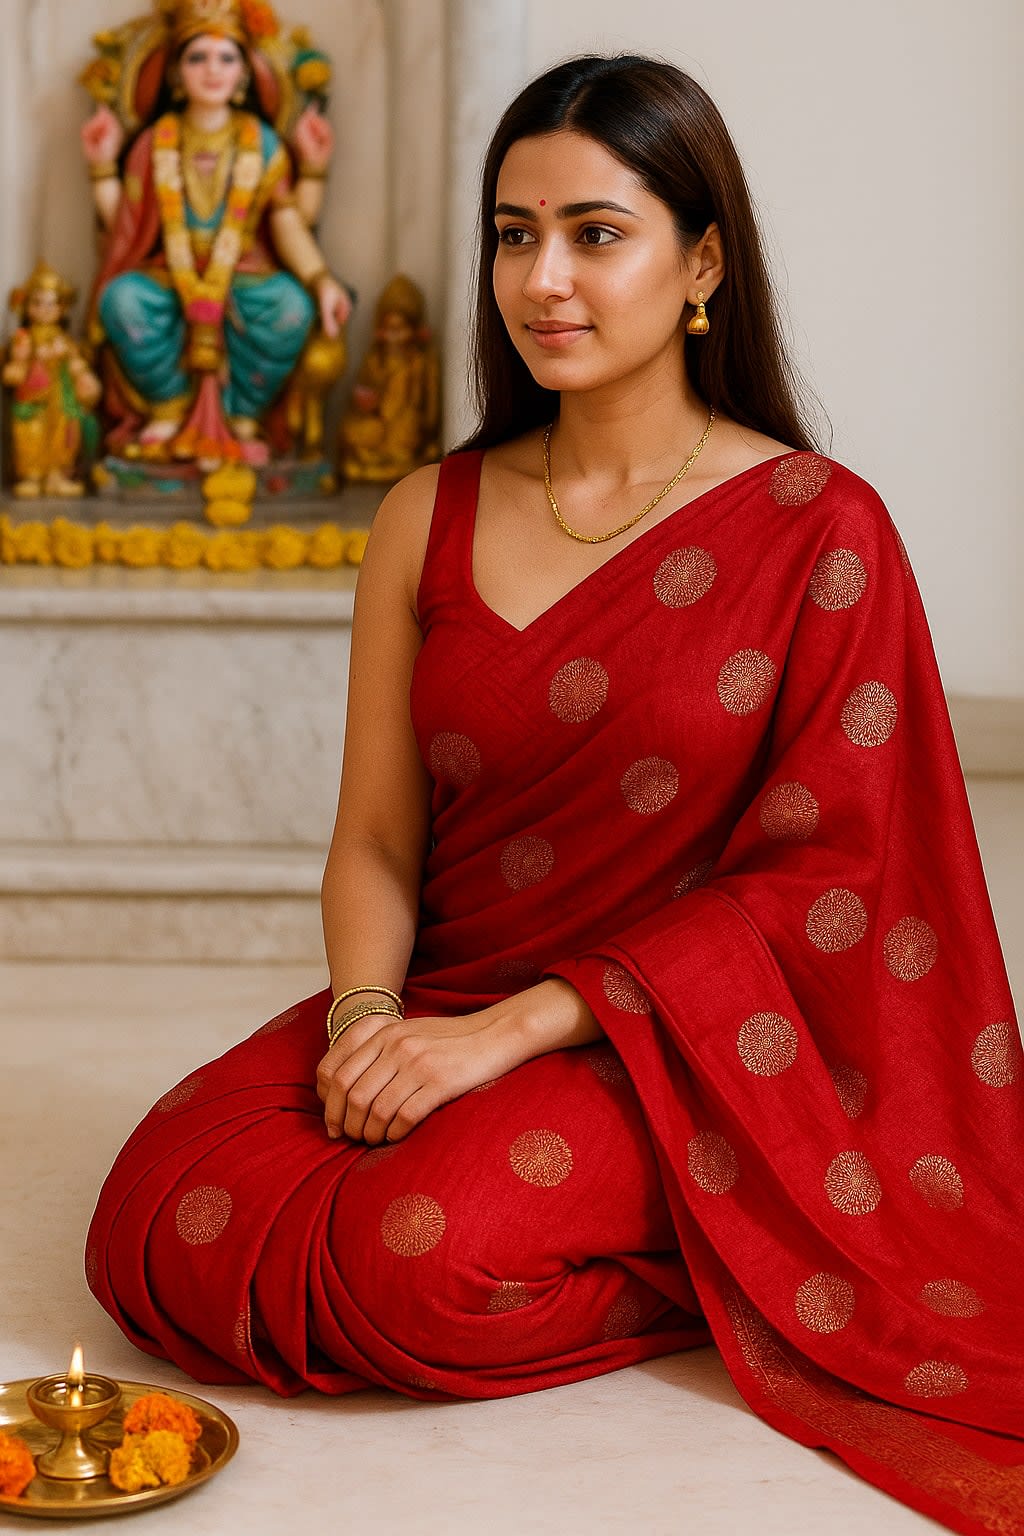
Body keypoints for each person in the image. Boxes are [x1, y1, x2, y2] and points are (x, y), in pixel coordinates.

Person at [87, 55, 1023, 1534]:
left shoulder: (816, 532)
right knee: (155, 1223)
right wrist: (368, 1021)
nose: (546, 278)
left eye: (598, 232)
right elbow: (380, 839)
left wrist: (511, 1036)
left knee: (416, 1258)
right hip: (442, 991)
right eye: (516, 234)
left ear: (702, 259)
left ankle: (724, 1244)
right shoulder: (431, 513)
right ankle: (665, 1225)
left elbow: (834, 885)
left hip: (681, 1047)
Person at [80, 0, 350, 466]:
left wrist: (321, 279)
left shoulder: (262, 143)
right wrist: (102, 164)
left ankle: (243, 414)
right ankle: (167, 406)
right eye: (197, 57)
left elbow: (287, 222)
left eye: (226, 58)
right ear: (175, 75)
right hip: (167, 275)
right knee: (122, 300)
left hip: (244, 275)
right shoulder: (153, 142)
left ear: (245, 73)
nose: (212, 70)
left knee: (292, 307)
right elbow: (124, 223)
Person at [3, 263, 101, 498]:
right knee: (31, 435)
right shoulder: (24, 338)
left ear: (62, 308)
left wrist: (84, 377)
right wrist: (24, 361)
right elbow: (15, 368)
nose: (44, 309)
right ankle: (32, 475)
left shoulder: (64, 340)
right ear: (26, 307)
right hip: (33, 400)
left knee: (64, 436)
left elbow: (77, 365)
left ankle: (57, 475)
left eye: (51, 304)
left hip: (61, 400)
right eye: (37, 303)